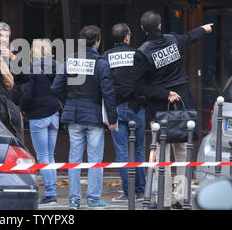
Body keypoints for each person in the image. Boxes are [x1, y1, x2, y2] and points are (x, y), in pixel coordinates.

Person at [132, 10, 213, 209]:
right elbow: (190, 37)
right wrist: (204, 28)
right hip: (183, 102)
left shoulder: (142, 53)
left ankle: (165, 201)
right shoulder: (173, 40)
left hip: (160, 107)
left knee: (162, 156)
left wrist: (163, 93)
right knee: (183, 153)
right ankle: (180, 199)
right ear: (160, 26)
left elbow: (138, 87)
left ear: (143, 28)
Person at [51, 25, 118, 209]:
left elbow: (56, 87)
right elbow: (108, 93)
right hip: (94, 116)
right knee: (95, 159)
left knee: (74, 158)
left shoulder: (69, 60)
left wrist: (70, 101)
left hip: (73, 115)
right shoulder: (101, 64)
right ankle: (94, 199)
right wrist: (112, 120)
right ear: (98, 41)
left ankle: (73, 200)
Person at [103, 23, 146, 202]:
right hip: (137, 107)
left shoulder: (105, 57)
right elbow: (146, 80)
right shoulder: (138, 54)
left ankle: (128, 192)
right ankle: (141, 190)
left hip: (117, 108)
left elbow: (104, 85)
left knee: (121, 150)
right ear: (127, 37)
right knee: (138, 149)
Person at [20, 39, 60, 205]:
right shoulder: (58, 67)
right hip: (54, 114)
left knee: (42, 155)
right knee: (51, 155)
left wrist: (22, 108)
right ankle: (53, 191)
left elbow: (27, 94)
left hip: (38, 116)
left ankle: (50, 193)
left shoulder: (32, 69)